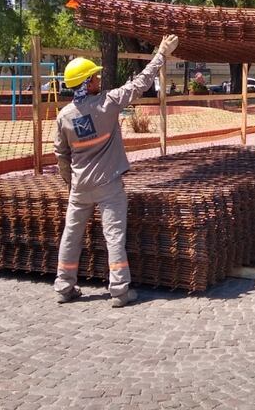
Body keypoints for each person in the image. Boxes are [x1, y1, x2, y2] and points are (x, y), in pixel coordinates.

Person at [53, 34, 180, 307]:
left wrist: (71, 183)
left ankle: (64, 287)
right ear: (86, 83)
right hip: (109, 186)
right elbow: (141, 83)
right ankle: (120, 291)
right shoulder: (107, 104)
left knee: (71, 235)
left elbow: (61, 155)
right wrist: (161, 54)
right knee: (114, 237)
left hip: (80, 188)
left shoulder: (64, 116)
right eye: (94, 78)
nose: (99, 80)